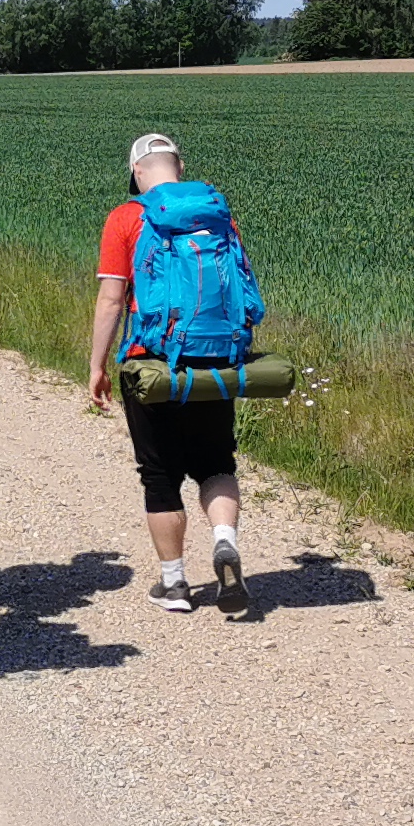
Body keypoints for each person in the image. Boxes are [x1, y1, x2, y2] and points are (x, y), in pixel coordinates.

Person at [85, 132, 253, 616]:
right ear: (178, 166)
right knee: (216, 463)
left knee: (159, 475)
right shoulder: (217, 214)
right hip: (215, 357)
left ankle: (175, 584)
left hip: (152, 360)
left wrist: (97, 365)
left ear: (137, 172)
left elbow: (112, 299)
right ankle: (224, 540)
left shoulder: (126, 217)